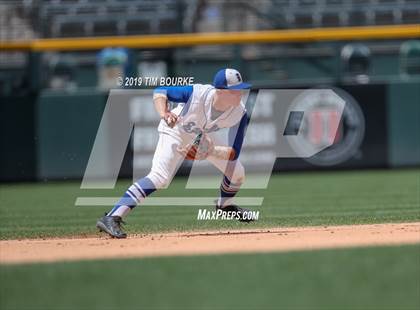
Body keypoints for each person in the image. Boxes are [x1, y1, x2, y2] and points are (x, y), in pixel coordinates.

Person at [96, 68, 254, 238]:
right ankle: (113, 216)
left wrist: (211, 151)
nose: (241, 93)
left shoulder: (240, 113)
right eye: (235, 90)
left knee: (237, 173)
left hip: (201, 134)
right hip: (176, 128)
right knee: (160, 178)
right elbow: (160, 91)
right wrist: (164, 113)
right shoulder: (197, 93)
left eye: (241, 88)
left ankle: (225, 206)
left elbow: (234, 152)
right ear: (221, 91)